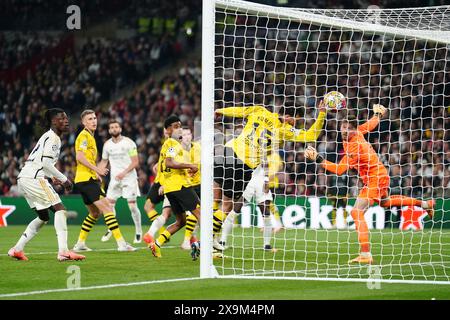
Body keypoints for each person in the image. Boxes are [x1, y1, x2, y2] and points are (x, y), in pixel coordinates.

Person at [305, 104, 435, 264]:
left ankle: (366, 254)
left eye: (348, 128)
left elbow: (339, 170)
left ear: (353, 129)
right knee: (385, 202)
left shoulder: (355, 146)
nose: (345, 131)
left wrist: (317, 158)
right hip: (379, 175)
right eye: (343, 127)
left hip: (375, 178)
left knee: (356, 212)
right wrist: (377, 115)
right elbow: (371, 124)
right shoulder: (357, 132)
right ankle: (425, 204)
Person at [213, 102, 327, 250]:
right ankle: (208, 240)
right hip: (244, 164)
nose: (295, 124)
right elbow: (311, 135)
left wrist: (220, 110)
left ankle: (213, 240)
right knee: (227, 204)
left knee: (217, 200)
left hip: (226, 153)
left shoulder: (260, 110)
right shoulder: (284, 130)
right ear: (288, 117)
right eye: (295, 120)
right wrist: (322, 113)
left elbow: (240, 111)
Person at [8, 108, 85, 261]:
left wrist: (51, 177)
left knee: (43, 216)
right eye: (61, 118)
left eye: (66, 118)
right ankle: (63, 251)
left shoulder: (49, 136)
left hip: (25, 177)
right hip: (34, 178)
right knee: (60, 209)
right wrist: (64, 179)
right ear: (53, 121)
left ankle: (17, 249)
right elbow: (46, 163)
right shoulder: (54, 138)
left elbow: (41, 162)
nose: (66, 121)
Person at [72, 109, 135, 252]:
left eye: (94, 118)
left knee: (95, 213)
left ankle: (80, 244)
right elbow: (80, 157)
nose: (93, 121)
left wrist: (95, 172)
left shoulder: (90, 137)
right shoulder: (84, 136)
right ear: (83, 122)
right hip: (86, 180)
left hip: (86, 179)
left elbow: (85, 158)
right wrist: (97, 169)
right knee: (107, 208)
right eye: (89, 119)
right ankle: (121, 244)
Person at [148, 115, 200, 258]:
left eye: (180, 126)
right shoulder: (172, 143)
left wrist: (186, 168)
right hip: (180, 186)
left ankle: (156, 244)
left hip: (171, 188)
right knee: (201, 215)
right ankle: (203, 246)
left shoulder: (174, 144)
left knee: (181, 221)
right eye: (176, 126)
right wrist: (190, 165)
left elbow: (169, 165)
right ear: (168, 130)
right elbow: (169, 163)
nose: (180, 129)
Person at [98, 120, 143, 244]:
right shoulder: (107, 145)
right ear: (109, 130)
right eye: (111, 127)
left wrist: (124, 172)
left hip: (129, 178)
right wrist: (97, 171)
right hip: (114, 179)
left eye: (116, 127)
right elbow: (103, 161)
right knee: (109, 206)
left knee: (132, 206)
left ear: (120, 129)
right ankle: (111, 228)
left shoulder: (129, 143)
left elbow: (135, 162)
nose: (114, 129)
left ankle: (138, 231)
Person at [180, 127, 201, 250]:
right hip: (186, 185)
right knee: (194, 213)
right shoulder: (178, 150)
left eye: (189, 134)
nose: (187, 136)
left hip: (200, 184)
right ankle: (186, 241)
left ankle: (212, 239)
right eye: (184, 134)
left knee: (207, 214)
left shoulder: (198, 147)